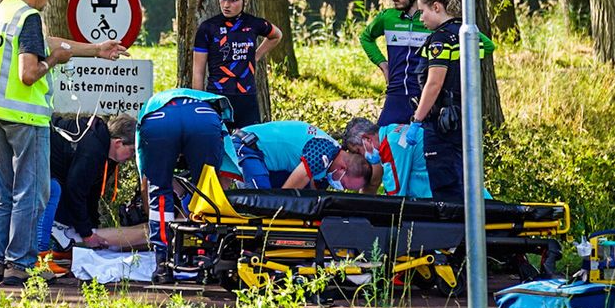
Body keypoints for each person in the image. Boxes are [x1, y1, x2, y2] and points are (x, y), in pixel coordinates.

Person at [0, 0, 128, 286]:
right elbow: (29, 72)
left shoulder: (3, 11)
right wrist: (54, 62)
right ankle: (22, 265)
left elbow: (46, 42)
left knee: (5, 192)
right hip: (23, 116)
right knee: (33, 192)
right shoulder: (28, 17)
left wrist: (96, 49)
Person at [360, 0, 495, 126]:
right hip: (395, 95)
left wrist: (450, 71)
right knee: (383, 144)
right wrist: (384, 65)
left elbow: (487, 45)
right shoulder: (387, 18)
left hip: (425, 99)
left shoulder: (434, 23)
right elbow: (366, 38)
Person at [135, 88, 243, 282]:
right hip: (203, 119)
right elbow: (224, 175)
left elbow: (146, 178)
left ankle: (162, 265)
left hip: (159, 119)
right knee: (205, 189)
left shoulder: (151, 105)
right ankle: (205, 260)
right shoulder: (209, 104)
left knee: (159, 190)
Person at [36, 113, 137, 259]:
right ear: (118, 143)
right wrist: (87, 234)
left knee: (66, 199)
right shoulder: (93, 150)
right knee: (54, 190)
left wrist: (92, 226)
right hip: (43, 163)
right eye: (132, 151)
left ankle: (59, 247)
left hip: (56, 168)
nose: (131, 158)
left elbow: (91, 192)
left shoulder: (105, 150)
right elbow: (75, 191)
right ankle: (41, 253)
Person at [192, 0, 283, 129]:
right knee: (218, 148)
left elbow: (276, 35)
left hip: (247, 98)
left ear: (244, 0)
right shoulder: (207, 28)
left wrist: (257, 56)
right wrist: (198, 103)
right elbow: (198, 71)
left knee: (249, 148)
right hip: (217, 99)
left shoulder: (254, 24)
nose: (226, 5)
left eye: (233, 0)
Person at [413, 0, 474, 201]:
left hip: (442, 125)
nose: (421, 19)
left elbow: (434, 83)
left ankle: (453, 234)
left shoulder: (440, 39)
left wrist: (417, 119)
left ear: (437, 7)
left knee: (446, 189)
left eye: (423, 12)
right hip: (466, 120)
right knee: (466, 183)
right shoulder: (467, 34)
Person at [230, 120, 369, 191]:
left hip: (266, 161)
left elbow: (313, 197)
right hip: (248, 146)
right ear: (342, 169)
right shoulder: (323, 153)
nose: (339, 187)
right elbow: (287, 196)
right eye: (343, 184)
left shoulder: (329, 164)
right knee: (262, 202)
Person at [341, 117, 428, 198]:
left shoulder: (391, 145)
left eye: (359, 151)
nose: (363, 157)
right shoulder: (392, 129)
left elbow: (394, 196)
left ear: (366, 139)